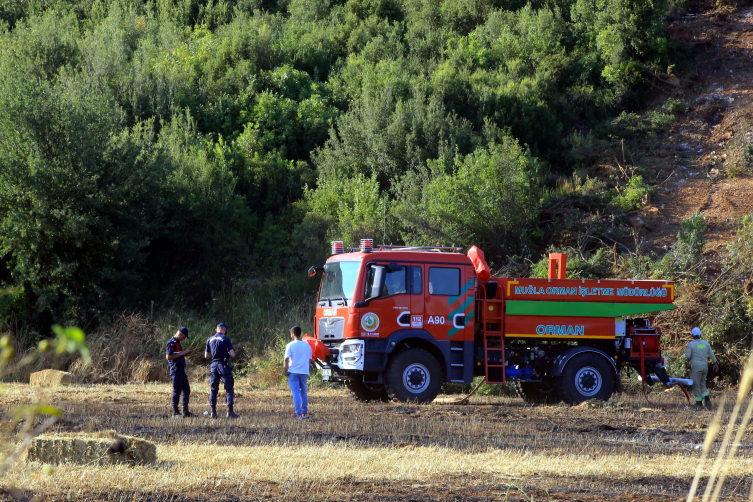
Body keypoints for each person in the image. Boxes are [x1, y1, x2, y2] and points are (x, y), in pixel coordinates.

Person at [204, 323, 238, 418]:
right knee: (229, 388)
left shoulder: (209, 339)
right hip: (223, 366)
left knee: (213, 389)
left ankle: (213, 413)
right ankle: (230, 412)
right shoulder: (226, 338)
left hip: (214, 366)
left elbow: (206, 356)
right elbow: (232, 354)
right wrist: (225, 354)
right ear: (224, 330)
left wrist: (215, 356)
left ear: (216, 329)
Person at [685, 327, 718, 408]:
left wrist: (691, 358)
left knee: (696, 385)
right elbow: (712, 355)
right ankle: (707, 401)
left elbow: (687, 356)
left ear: (692, 335)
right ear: (700, 334)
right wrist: (715, 363)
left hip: (696, 367)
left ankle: (699, 403)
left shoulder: (691, 344)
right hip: (704, 367)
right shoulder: (706, 344)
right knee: (702, 384)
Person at [284, 326, 312, 419]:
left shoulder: (290, 345)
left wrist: (285, 371)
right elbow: (309, 359)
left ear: (293, 334)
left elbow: (286, 359)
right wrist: (307, 370)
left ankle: (298, 413)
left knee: (296, 393)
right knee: (304, 392)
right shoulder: (307, 345)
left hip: (293, 372)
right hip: (304, 372)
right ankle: (304, 413)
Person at [166, 327, 192, 417]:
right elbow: (168, 356)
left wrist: (184, 354)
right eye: (184, 337)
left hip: (181, 369)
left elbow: (177, 355)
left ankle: (185, 411)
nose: (184, 339)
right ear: (180, 334)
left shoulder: (178, 343)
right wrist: (181, 353)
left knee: (186, 389)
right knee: (177, 390)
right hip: (175, 369)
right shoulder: (171, 343)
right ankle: (175, 412)